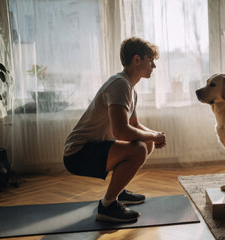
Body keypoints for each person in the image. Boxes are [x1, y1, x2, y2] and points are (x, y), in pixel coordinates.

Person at [63, 37, 167, 222]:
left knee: (146, 143)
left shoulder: (130, 89)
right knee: (139, 148)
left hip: (95, 147)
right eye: (150, 61)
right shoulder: (120, 84)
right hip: (78, 153)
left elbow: (134, 125)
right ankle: (107, 206)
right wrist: (153, 135)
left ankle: (118, 191)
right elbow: (122, 132)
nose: (154, 66)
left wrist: (155, 136)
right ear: (137, 60)